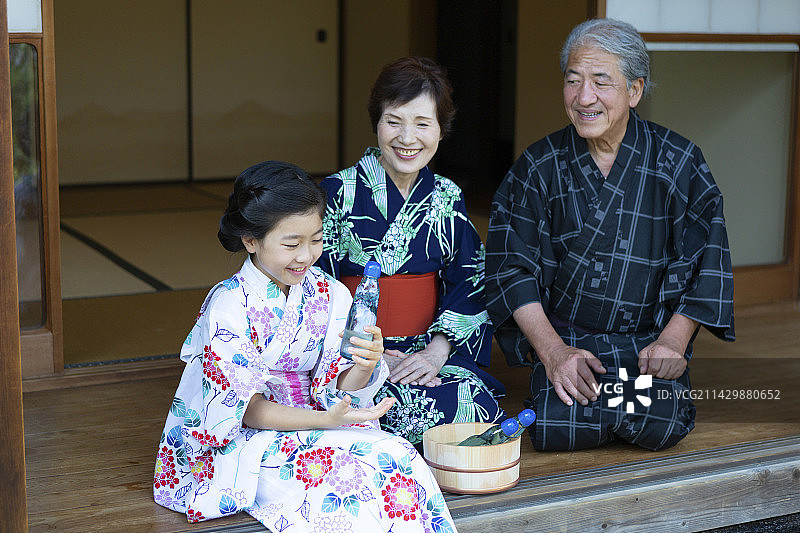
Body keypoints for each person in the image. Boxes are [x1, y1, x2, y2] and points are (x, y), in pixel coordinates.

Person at [153, 161, 457, 531]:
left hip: (318, 422)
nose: (306, 256)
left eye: (315, 239)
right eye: (291, 244)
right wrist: (326, 421)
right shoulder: (228, 304)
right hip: (250, 438)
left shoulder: (329, 292)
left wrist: (364, 364)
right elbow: (246, 412)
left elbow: (336, 387)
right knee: (346, 484)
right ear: (251, 240)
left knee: (398, 455)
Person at [485, 18, 734, 452]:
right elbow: (510, 268)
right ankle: (568, 387)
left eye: (601, 81)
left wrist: (673, 341)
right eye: (573, 81)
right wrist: (553, 353)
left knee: (661, 423)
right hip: (571, 346)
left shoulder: (678, 162)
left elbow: (707, 258)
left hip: (645, 347)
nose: (584, 98)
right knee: (558, 424)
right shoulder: (538, 166)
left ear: (635, 90)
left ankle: (619, 399)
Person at [318, 56, 505, 447]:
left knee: (474, 404)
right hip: (354, 356)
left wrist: (437, 354)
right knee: (386, 409)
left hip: (426, 353)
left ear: (441, 130)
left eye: (422, 124)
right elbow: (317, 287)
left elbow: (468, 283)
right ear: (376, 122)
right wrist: (368, 357)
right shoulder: (338, 192)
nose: (407, 138)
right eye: (394, 121)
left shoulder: (447, 197)